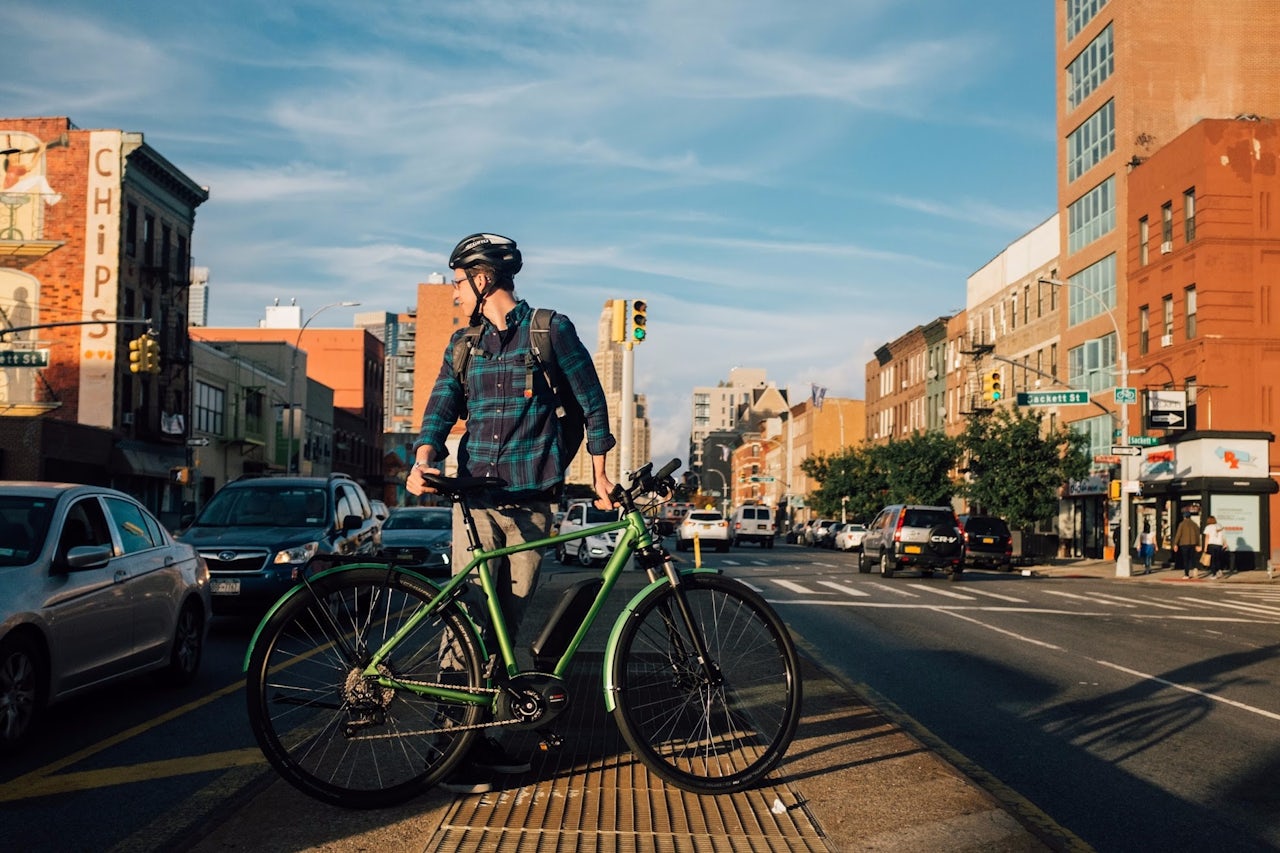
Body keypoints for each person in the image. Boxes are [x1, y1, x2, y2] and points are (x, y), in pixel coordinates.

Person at [407, 232, 616, 794]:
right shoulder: (463, 344)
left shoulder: (550, 331)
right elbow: (440, 405)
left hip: (531, 504)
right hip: (473, 501)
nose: (454, 293)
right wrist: (424, 456)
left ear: (484, 278)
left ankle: (484, 736)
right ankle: (453, 741)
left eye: (458, 282)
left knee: (506, 625)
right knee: (464, 621)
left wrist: (599, 477)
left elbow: (592, 404)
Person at [1172, 508, 1202, 579]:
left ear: (1184, 516)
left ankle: (1186, 574)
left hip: (1184, 544)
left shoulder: (1181, 524)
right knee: (1192, 558)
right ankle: (1195, 568)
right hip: (1193, 543)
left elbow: (1178, 534)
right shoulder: (1194, 524)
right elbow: (1198, 534)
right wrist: (1198, 544)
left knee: (1186, 559)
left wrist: (1175, 544)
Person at [1202, 513, 1227, 579]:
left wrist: (1205, 547)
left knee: (1212, 560)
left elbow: (1207, 537)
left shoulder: (1208, 527)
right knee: (1218, 559)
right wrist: (1225, 543)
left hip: (1211, 544)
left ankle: (1214, 574)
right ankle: (1219, 570)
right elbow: (1223, 536)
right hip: (1219, 544)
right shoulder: (1220, 526)